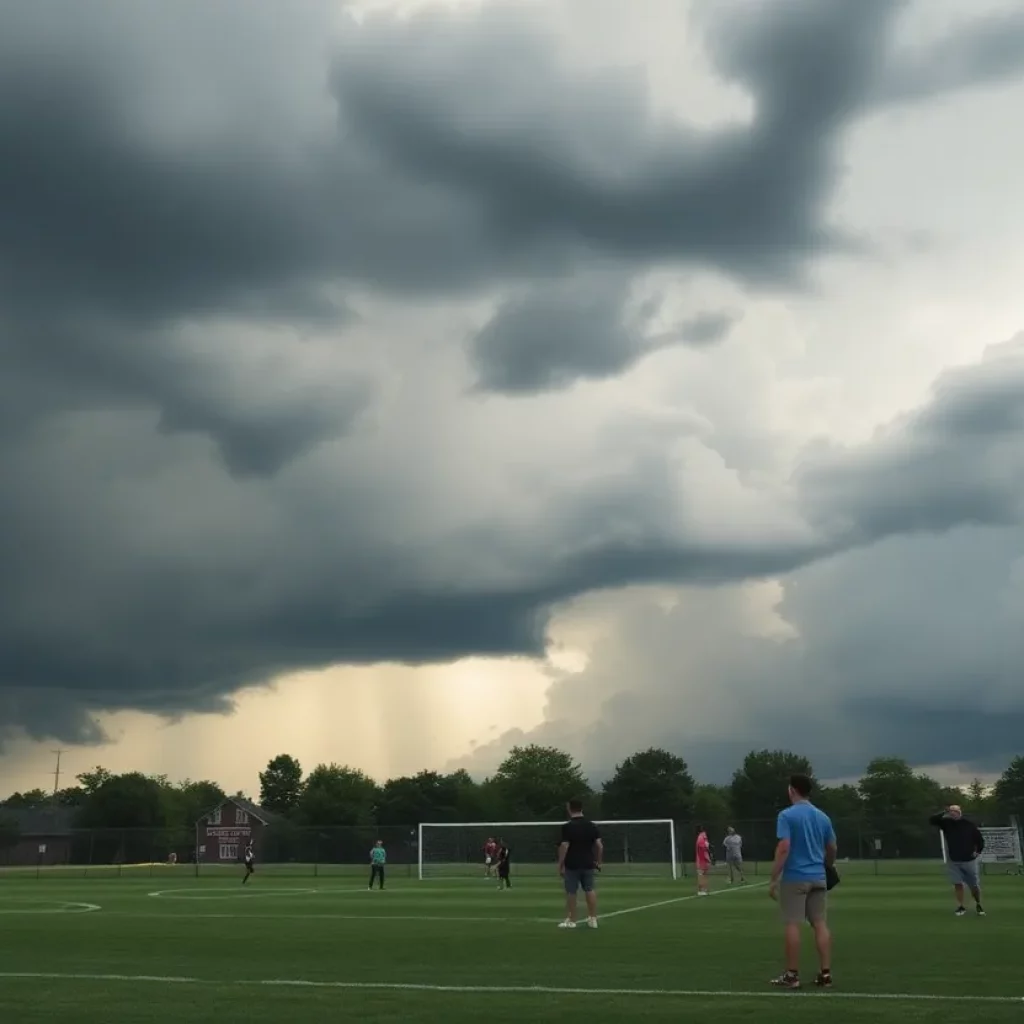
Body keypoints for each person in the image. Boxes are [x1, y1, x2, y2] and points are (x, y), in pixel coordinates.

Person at [768, 773, 837, 990]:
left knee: (792, 923)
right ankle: (825, 974)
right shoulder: (823, 816)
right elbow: (832, 848)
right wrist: (827, 865)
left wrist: (773, 878)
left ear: (792, 790)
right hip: (818, 876)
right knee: (820, 924)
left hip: (795, 877)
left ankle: (792, 975)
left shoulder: (786, 815)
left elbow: (784, 847)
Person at [929, 805, 985, 916]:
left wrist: (978, 851)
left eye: (955, 811)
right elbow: (932, 820)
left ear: (960, 812)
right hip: (954, 860)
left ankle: (978, 904)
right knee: (958, 884)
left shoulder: (969, 825)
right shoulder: (946, 824)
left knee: (974, 885)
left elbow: (979, 840)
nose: (953, 813)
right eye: (951, 812)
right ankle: (960, 906)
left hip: (969, 860)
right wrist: (944, 811)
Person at [557, 798, 603, 929]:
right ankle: (593, 919)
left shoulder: (567, 827)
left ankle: (572, 919)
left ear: (569, 808)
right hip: (588, 862)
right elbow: (599, 846)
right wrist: (599, 862)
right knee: (589, 889)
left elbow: (564, 846)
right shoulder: (591, 825)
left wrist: (560, 864)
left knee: (571, 891)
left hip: (572, 863)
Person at [695, 825, 711, 895]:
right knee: (702, 874)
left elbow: (704, 848)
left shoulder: (701, 837)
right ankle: (702, 890)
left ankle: (703, 889)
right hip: (702, 859)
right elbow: (702, 849)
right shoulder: (702, 837)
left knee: (702, 874)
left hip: (702, 859)